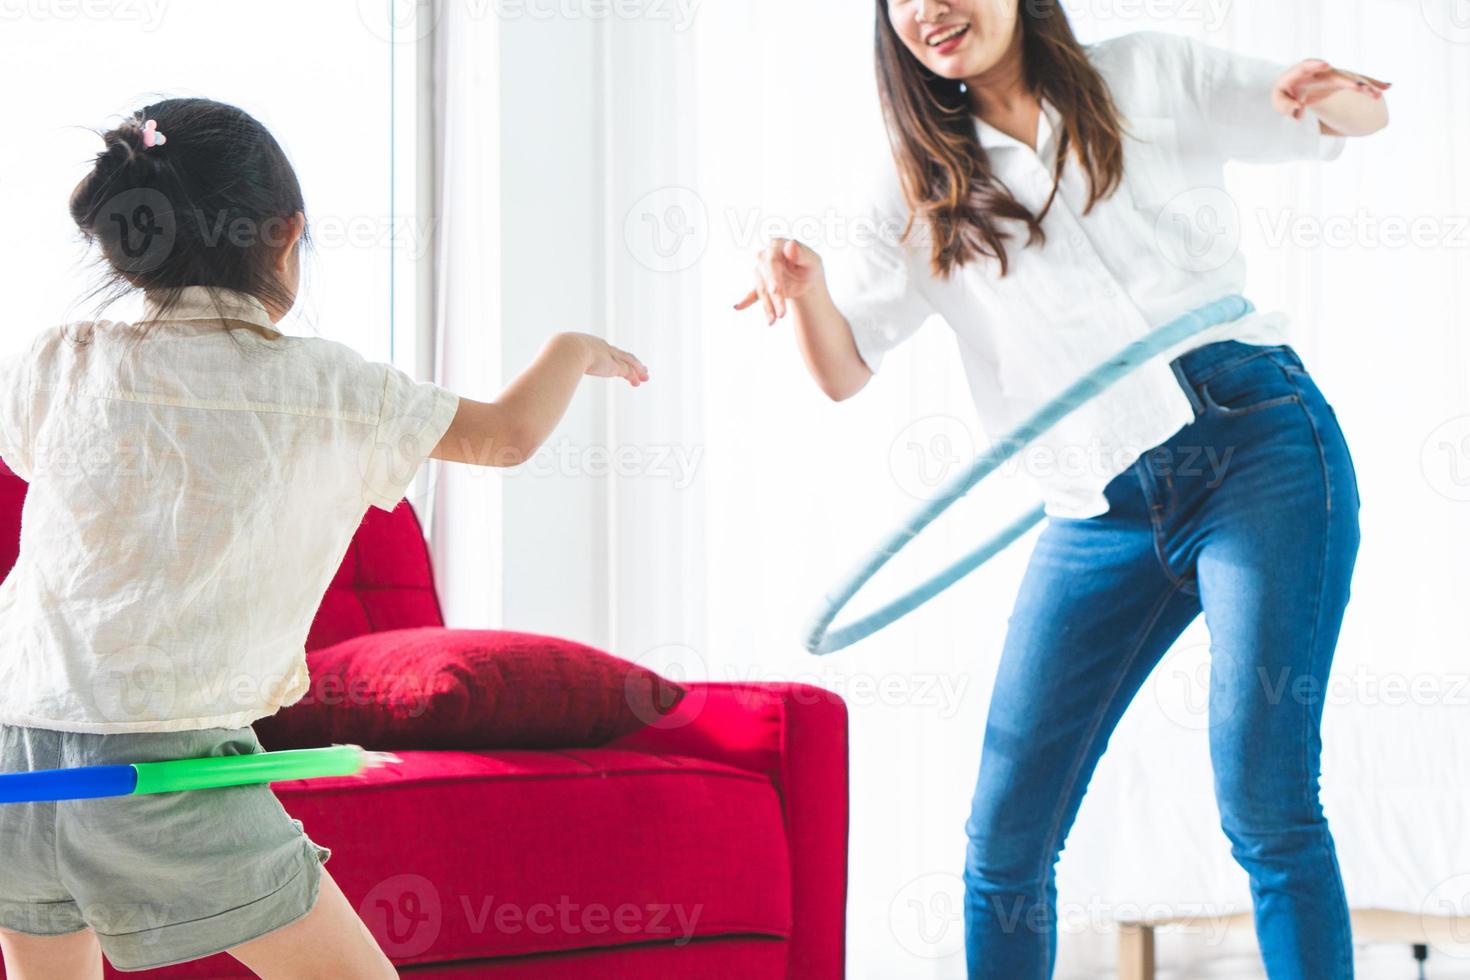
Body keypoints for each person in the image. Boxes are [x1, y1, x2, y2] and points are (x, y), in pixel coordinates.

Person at [735, 3, 1388, 977]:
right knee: (1003, 843)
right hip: (1094, 503)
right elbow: (842, 367)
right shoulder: (917, 180)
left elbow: (1342, 122)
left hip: (1254, 446)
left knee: (1267, 797)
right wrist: (810, 286)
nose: (928, 10)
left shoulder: (1143, 73)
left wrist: (1334, 99)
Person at [0, 98, 647, 977]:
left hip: (15, 764)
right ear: (286, 235)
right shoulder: (323, 386)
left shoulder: (57, 359)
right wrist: (573, 349)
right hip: (163, 762)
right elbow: (505, 436)